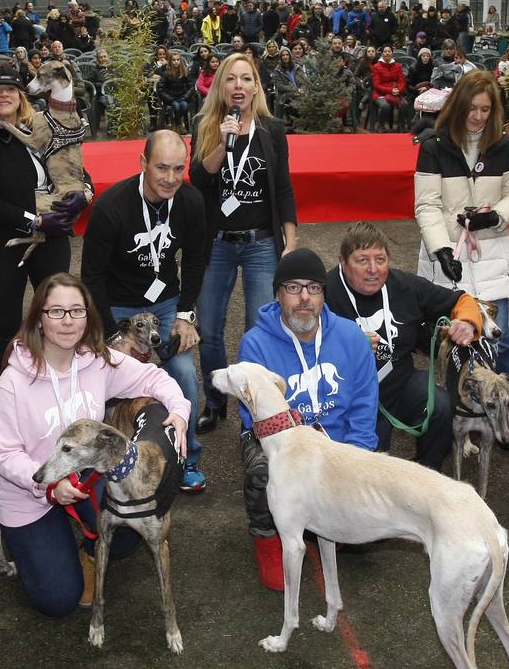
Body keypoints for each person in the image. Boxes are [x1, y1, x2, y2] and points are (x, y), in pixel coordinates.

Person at [0, 273, 189, 616]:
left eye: (76, 311)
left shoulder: (95, 360)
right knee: (58, 601)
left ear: (88, 316)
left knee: (132, 518)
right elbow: (4, 455)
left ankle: (87, 546)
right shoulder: (12, 382)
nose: (68, 321)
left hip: (87, 480)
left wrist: (180, 412)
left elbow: (153, 377)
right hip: (31, 492)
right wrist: (50, 485)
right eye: (56, 312)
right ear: (39, 318)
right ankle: (42, 542)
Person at [236, 248, 378, 589]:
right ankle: (269, 539)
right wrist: (310, 453)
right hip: (280, 442)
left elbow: (363, 404)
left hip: (337, 439)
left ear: (323, 294)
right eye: (293, 288)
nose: (304, 298)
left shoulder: (350, 337)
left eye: (314, 288)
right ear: (277, 293)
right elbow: (253, 415)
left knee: (374, 526)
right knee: (261, 472)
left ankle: (327, 519)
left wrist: (356, 459)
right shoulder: (255, 344)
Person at [81, 131, 208, 491]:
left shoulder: (191, 201)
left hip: (166, 302)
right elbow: (91, 275)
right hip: (118, 304)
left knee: (183, 372)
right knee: (105, 378)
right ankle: (101, 461)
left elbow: (197, 260)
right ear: (143, 163)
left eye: (178, 169)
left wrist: (186, 315)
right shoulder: (112, 207)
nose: (170, 178)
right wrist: (111, 334)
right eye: (161, 168)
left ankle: (187, 458)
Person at [189, 53, 298, 433]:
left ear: (256, 86)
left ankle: (255, 409)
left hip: (260, 243)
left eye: (246, 79)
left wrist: (291, 240)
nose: (239, 86)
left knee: (258, 329)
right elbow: (198, 180)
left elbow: (283, 187)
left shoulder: (273, 129)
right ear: (221, 85)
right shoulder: (205, 125)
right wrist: (223, 141)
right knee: (211, 330)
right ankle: (215, 401)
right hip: (215, 243)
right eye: (231, 79)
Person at [0, 67, 92, 373]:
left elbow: (76, 168)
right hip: (6, 243)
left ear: (21, 96)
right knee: (7, 325)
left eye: (10, 90)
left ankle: (60, 384)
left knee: (59, 317)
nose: (4, 95)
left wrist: (85, 193)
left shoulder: (45, 126)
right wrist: (34, 221)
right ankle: (8, 392)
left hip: (54, 238)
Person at [324, 222, 486, 470]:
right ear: (342, 262)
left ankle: (427, 475)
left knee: (440, 406)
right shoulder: (324, 292)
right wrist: (347, 345)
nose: (373, 269)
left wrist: (467, 323)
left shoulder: (404, 285)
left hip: (397, 381)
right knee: (371, 465)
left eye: (380, 259)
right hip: (348, 393)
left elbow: (462, 299)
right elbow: (297, 339)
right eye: (361, 260)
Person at [415, 70, 509, 385]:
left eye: (486, 109)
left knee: (500, 340)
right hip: (447, 259)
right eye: (472, 108)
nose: (478, 116)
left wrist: (494, 217)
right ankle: (452, 411)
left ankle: (505, 415)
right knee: (450, 341)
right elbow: (427, 205)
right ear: (458, 106)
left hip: (491, 254)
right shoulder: (433, 147)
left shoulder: (505, 146)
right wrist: (442, 249)